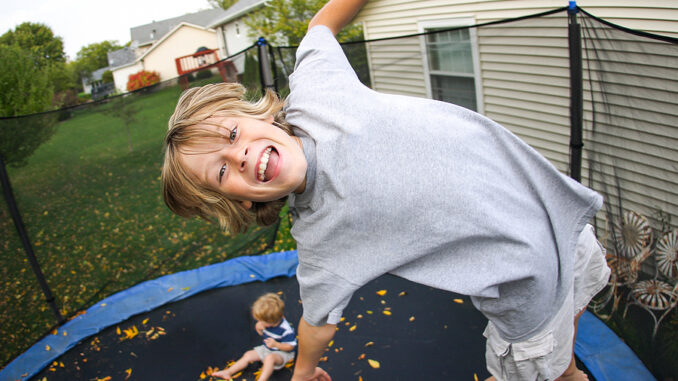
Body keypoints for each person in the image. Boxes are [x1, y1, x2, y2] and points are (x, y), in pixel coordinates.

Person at [161, 0, 610, 380]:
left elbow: (321, 25)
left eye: (232, 134)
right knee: (554, 358)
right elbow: (316, 323)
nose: (237, 155)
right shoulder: (321, 239)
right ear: (241, 201)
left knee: (565, 331)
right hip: (526, 291)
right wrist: (302, 372)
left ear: (257, 116)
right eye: (221, 172)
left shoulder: (317, 91)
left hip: (563, 225)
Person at [212, 293, 297, 380]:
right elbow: (264, 335)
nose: (259, 322)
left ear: (270, 322)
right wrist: (259, 329)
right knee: (248, 355)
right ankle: (228, 372)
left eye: (261, 320)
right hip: (267, 349)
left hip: (283, 354)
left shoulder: (286, 329)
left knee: (269, 359)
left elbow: (290, 347)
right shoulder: (266, 324)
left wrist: (276, 345)